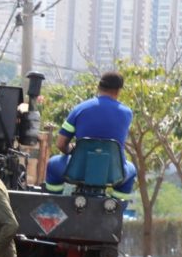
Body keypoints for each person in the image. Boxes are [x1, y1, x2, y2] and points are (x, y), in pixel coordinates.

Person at [43, 71, 137, 200]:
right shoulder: (127, 113)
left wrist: (70, 149)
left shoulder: (80, 109)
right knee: (131, 170)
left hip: (76, 171)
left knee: (53, 164)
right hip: (113, 174)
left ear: (98, 87)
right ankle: (114, 211)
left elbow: (60, 144)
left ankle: (52, 206)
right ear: (118, 90)